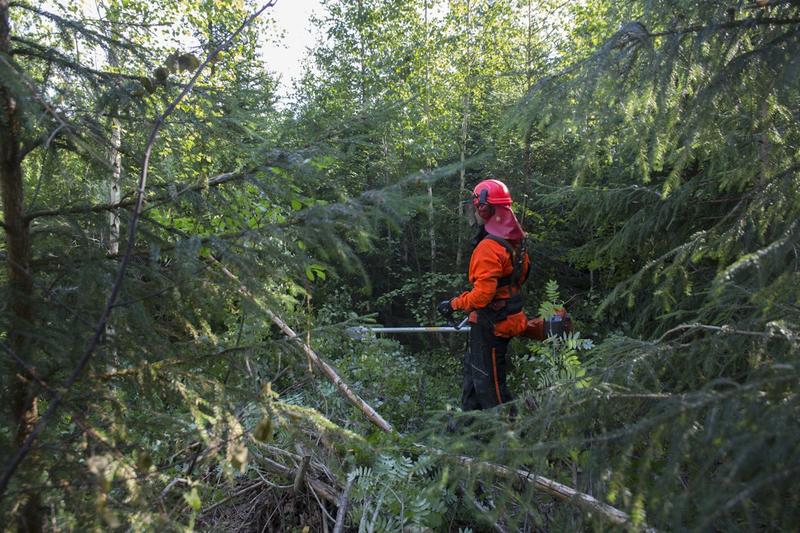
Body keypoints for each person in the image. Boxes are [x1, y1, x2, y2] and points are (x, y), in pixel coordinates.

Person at [438, 179, 568, 411]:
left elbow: (481, 297)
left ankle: (509, 437)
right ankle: (470, 433)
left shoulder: (489, 247)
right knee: (473, 382)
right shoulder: (515, 242)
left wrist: (453, 304)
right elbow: (520, 277)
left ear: (485, 208)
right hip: (502, 319)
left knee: (492, 392)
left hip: (491, 327)